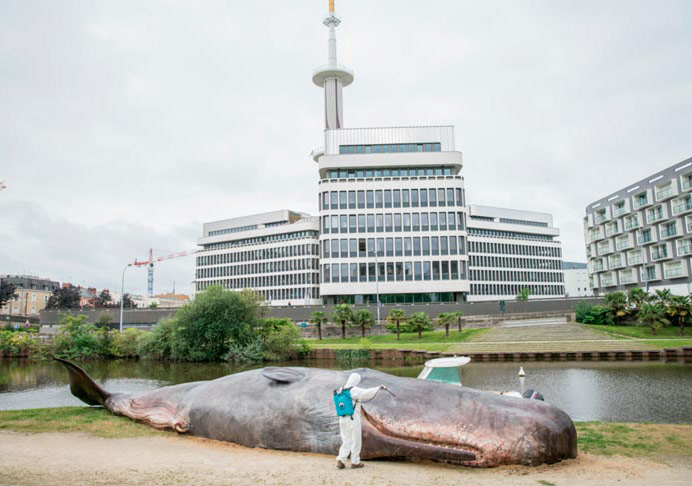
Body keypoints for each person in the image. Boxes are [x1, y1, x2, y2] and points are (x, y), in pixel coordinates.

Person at [336, 373, 387, 469]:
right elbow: (367, 393)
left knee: (346, 440)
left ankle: (341, 459)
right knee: (356, 440)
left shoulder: (340, 389)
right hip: (353, 418)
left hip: (342, 418)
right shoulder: (354, 390)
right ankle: (355, 462)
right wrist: (378, 388)